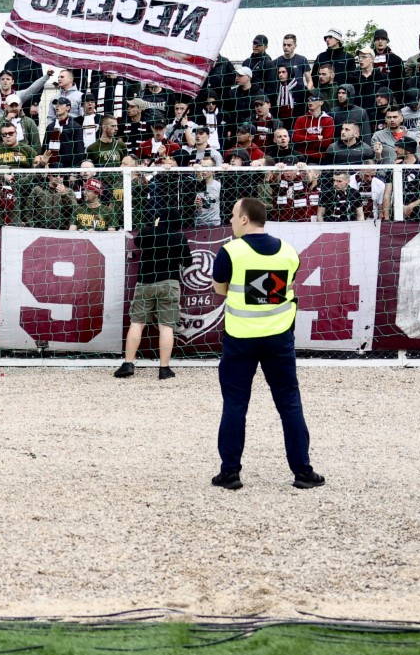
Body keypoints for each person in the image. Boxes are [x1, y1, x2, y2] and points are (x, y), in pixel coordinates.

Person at [210, 197, 323, 491]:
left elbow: (220, 290)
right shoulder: (288, 252)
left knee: (235, 405)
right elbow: (289, 287)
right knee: (289, 404)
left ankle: (230, 473)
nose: (231, 220)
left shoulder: (230, 251)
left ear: (245, 219)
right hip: (279, 338)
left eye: (233, 215)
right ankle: (303, 471)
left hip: (240, 339)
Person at [117, 221, 190, 380]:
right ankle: (164, 369)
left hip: (146, 282)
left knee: (137, 323)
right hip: (169, 283)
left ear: (159, 219)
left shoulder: (148, 232)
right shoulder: (179, 236)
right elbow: (187, 261)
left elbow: (137, 242)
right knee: (166, 327)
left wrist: (154, 227)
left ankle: (128, 364)